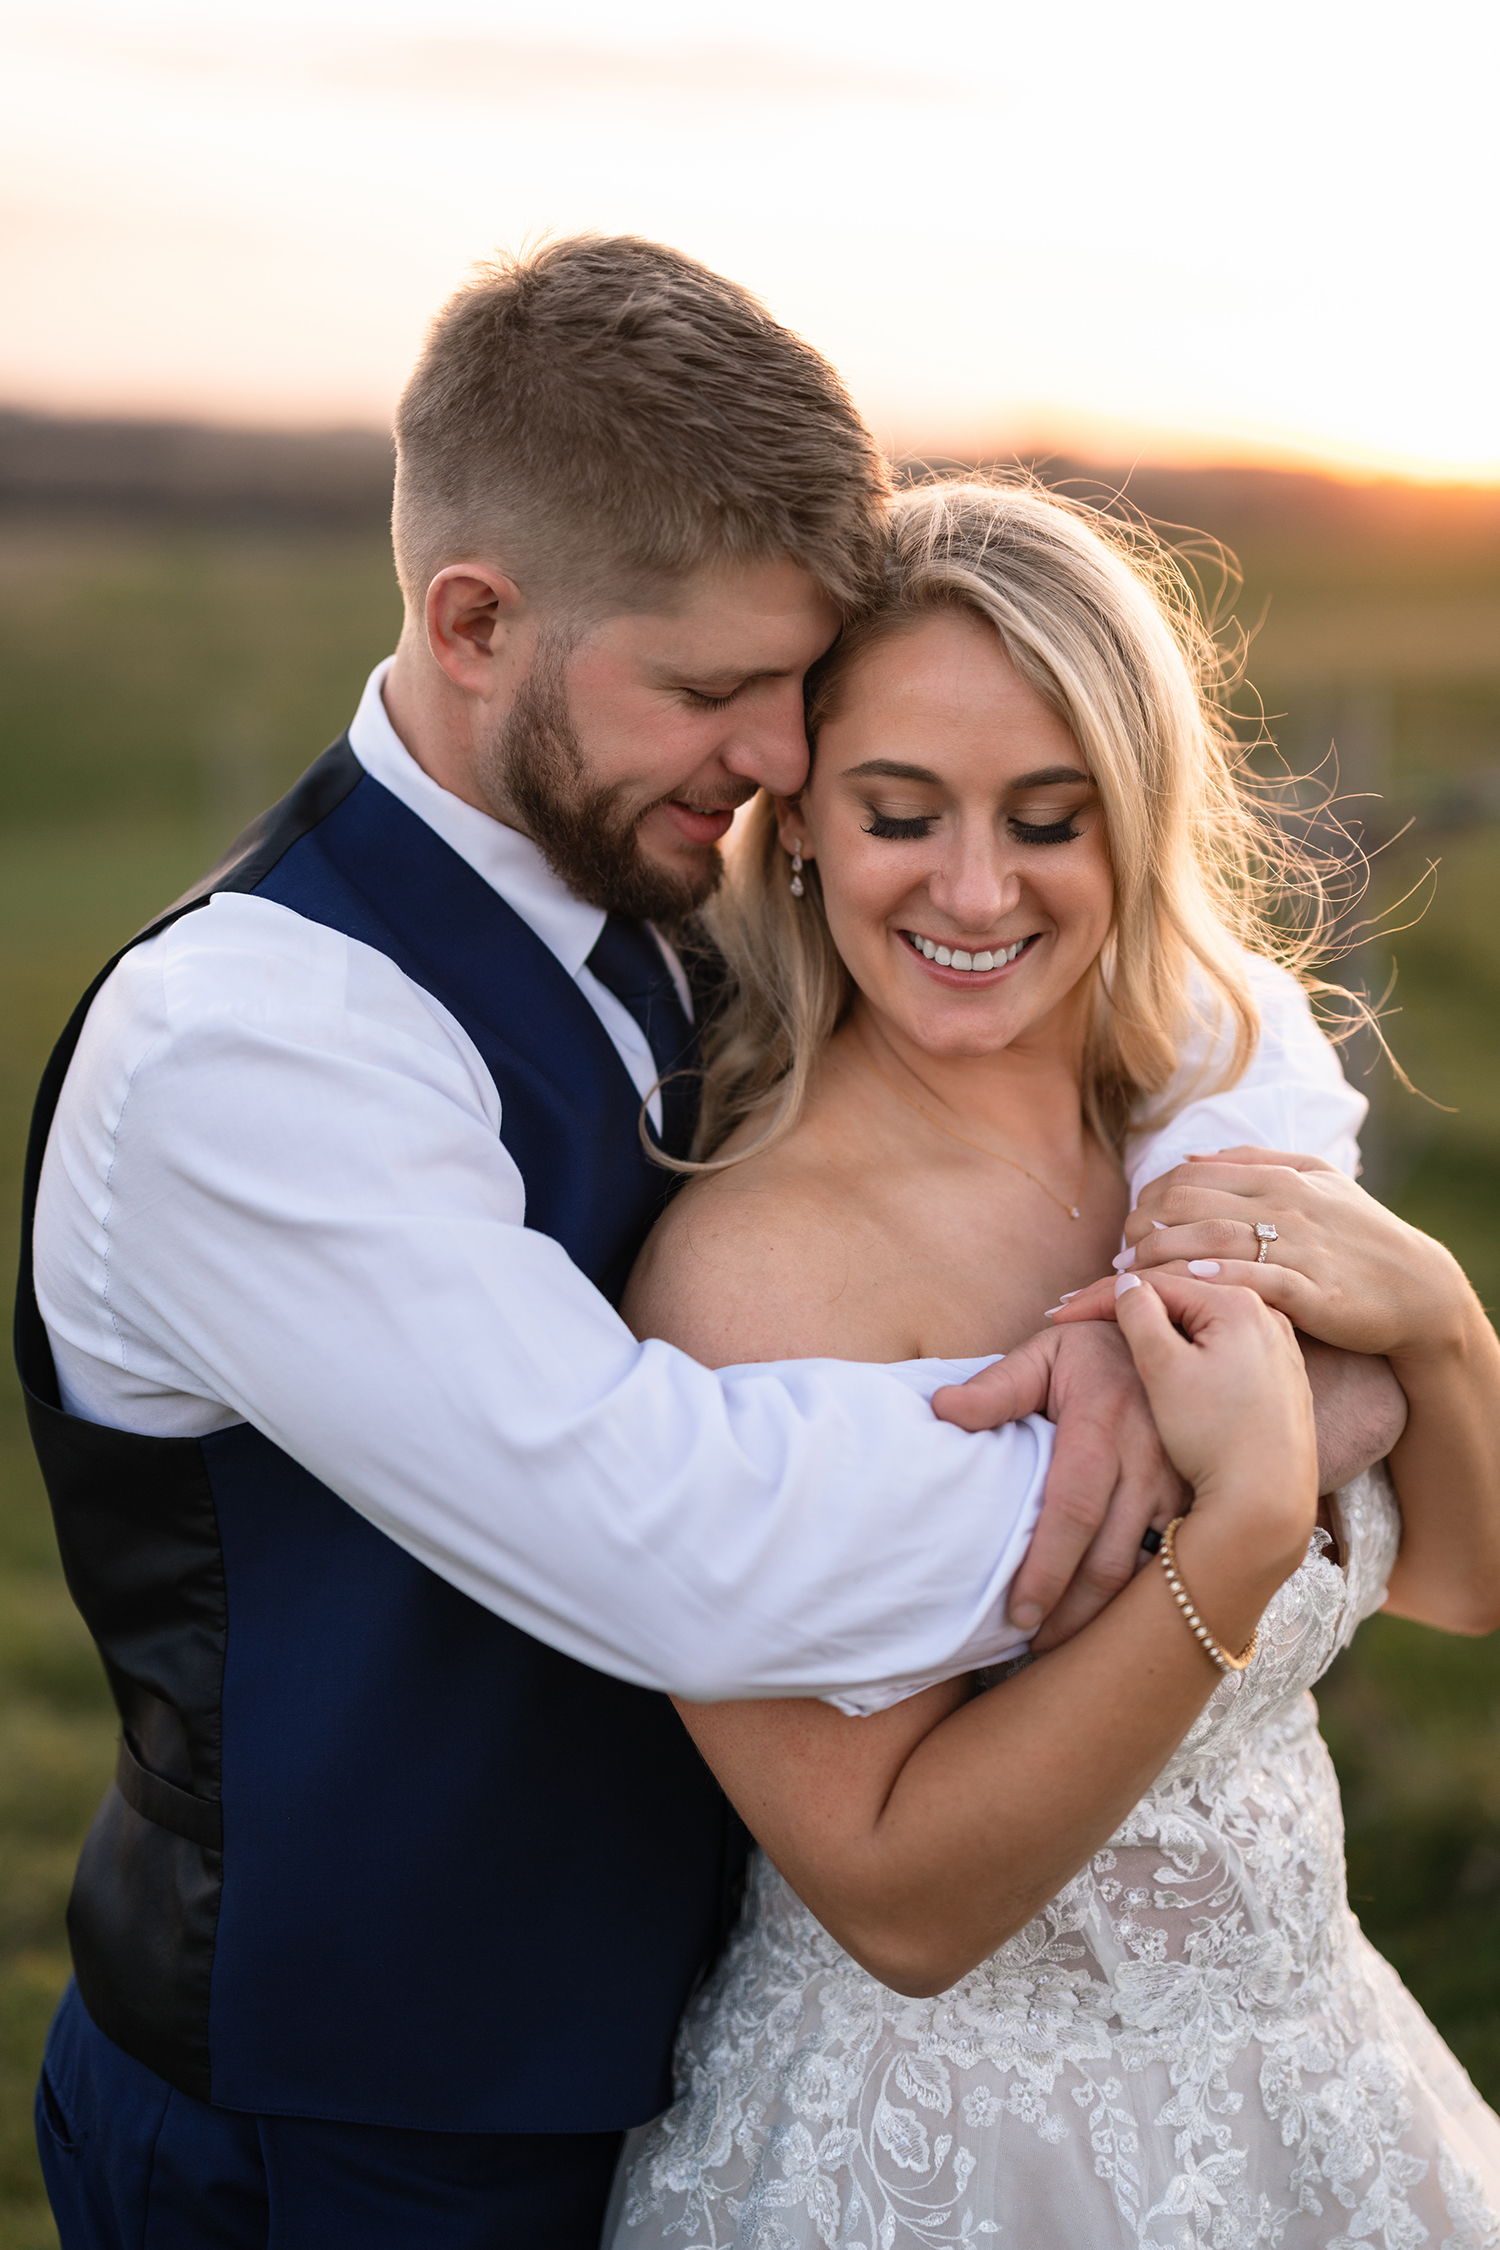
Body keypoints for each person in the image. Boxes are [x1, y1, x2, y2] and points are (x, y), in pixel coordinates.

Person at [18, 245, 1394, 2250]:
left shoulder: (670, 864)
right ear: (473, 619)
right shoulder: (255, 1045)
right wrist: (1217, 1445)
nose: (775, 760)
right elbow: (681, 1543)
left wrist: (1190, 1279)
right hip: (359, 2125)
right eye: (716, 691)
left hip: (685, 2056)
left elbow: (1211, 1021)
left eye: (795, 692)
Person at [609, 480, 1500, 2248]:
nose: (972, 887)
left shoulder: (1193, 1120)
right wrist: (1234, 1535)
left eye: (1048, 817)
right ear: (794, 825)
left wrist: (1443, 1319)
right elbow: (896, 1903)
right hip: (953, 2152)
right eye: (898, 812)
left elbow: (1467, 1582)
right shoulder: (751, 1271)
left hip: (1313, 2090)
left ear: (1137, 821)